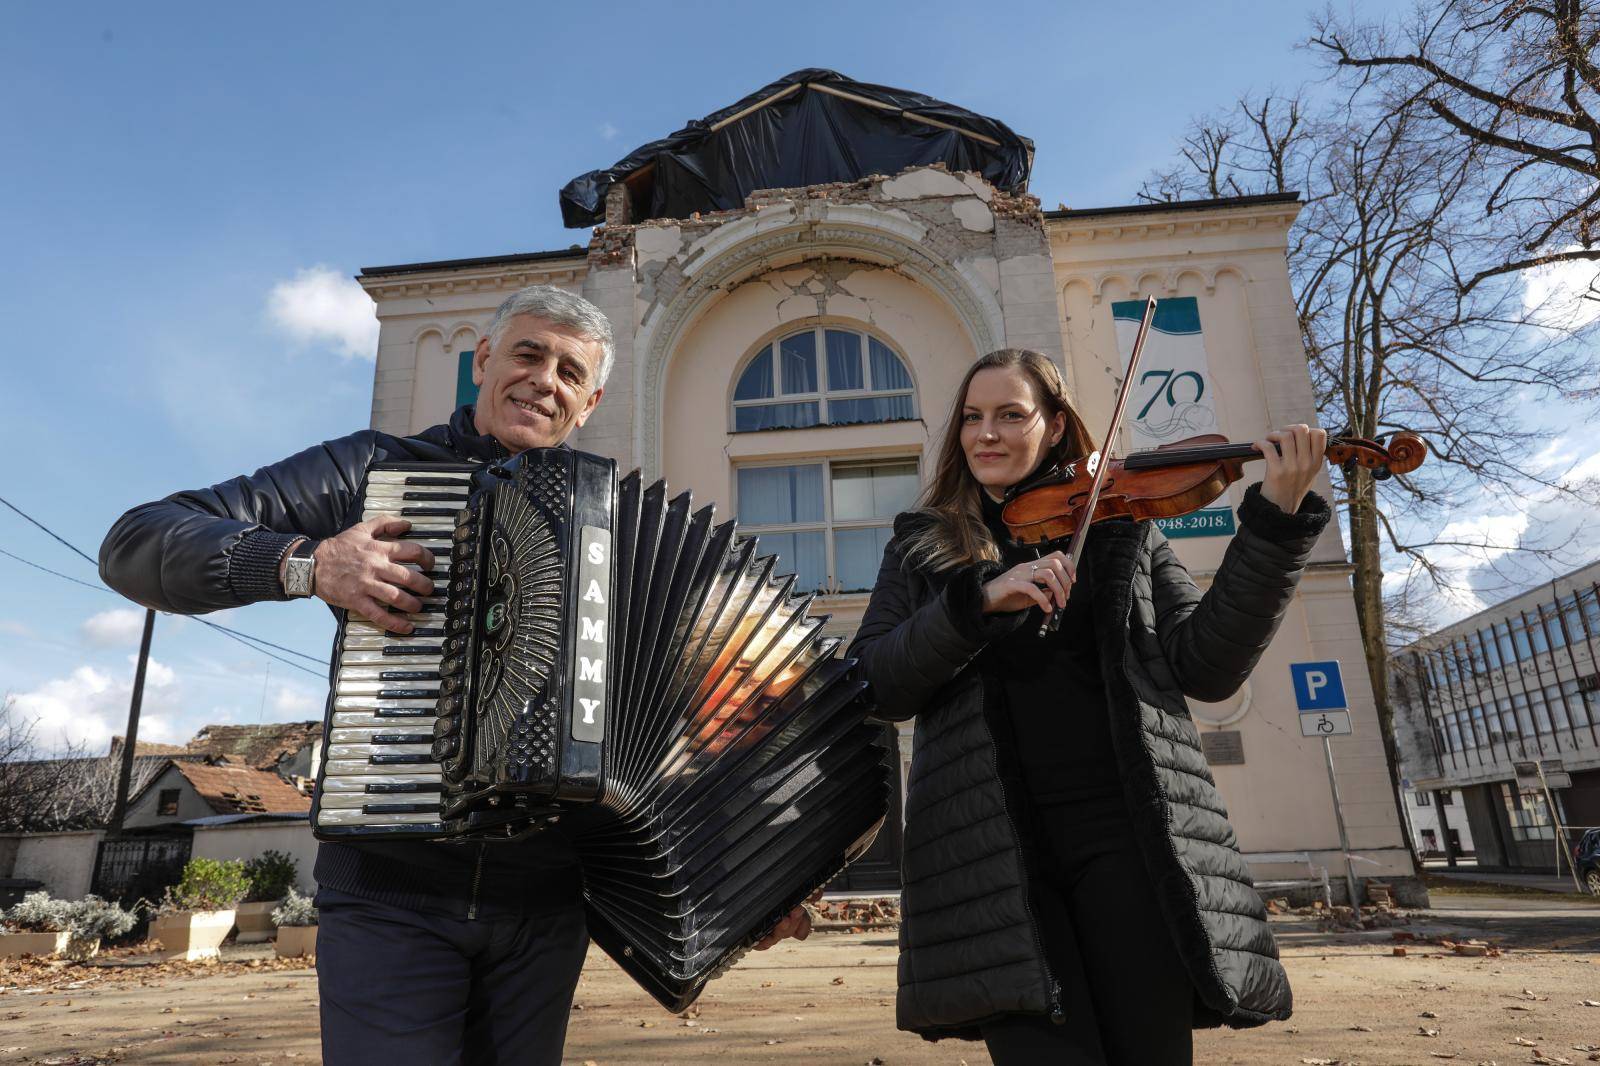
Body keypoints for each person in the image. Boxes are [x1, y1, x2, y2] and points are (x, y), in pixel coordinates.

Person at [99, 284, 812, 1066]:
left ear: (591, 401)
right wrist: (308, 564)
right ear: (483, 362)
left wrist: (755, 881)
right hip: (390, 897)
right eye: (529, 354)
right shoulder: (376, 470)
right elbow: (137, 543)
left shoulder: (615, 526)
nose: (545, 381)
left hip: (545, 915)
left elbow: (695, 733)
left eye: (570, 373)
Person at [847, 347, 1329, 1064]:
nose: (986, 434)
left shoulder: (1123, 528)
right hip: (993, 862)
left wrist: (1274, 521)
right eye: (973, 418)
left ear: (1055, 426)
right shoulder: (925, 548)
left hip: (1130, 843)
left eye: (1011, 415)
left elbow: (1208, 665)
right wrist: (977, 602)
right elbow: (872, 682)